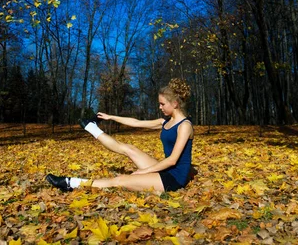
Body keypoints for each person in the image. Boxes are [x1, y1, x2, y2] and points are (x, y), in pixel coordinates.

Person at [46, 78, 194, 192]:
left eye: (162, 104)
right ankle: (91, 128)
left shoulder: (184, 126)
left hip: (174, 179)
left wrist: (143, 172)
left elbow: (173, 160)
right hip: (165, 170)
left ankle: (71, 183)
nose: (159, 107)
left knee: (120, 180)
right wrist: (111, 117)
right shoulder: (166, 121)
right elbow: (136, 122)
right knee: (129, 149)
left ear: (175, 103)